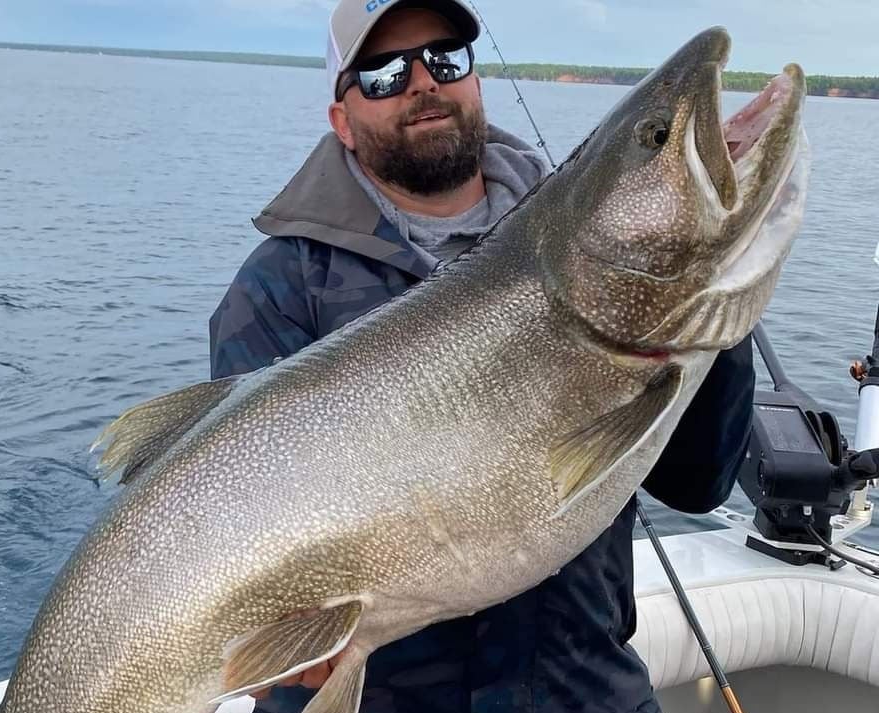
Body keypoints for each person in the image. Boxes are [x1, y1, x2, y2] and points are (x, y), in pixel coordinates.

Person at [208, 1, 755, 711]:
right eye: (381, 73)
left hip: (583, 692)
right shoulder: (280, 289)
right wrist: (275, 636)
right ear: (341, 118)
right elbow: (235, 528)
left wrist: (709, 307)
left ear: (474, 80)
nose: (421, 82)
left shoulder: (588, 238)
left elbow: (699, 483)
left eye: (444, 58)